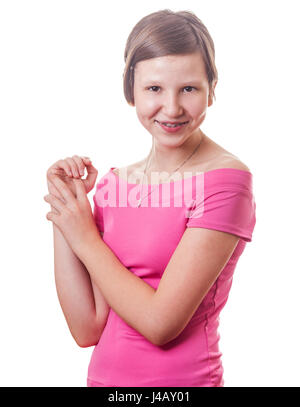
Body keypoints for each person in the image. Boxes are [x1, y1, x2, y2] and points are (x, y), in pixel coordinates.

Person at [44, 9, 256, 387]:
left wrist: (84, 236)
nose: (172, 108)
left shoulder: (226, 183)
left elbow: (161, 325)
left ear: (212, 88)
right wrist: (68, 206)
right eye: (154, 88)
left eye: (189, 88)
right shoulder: (114, 185)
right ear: (131, 91)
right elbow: (86, 327)